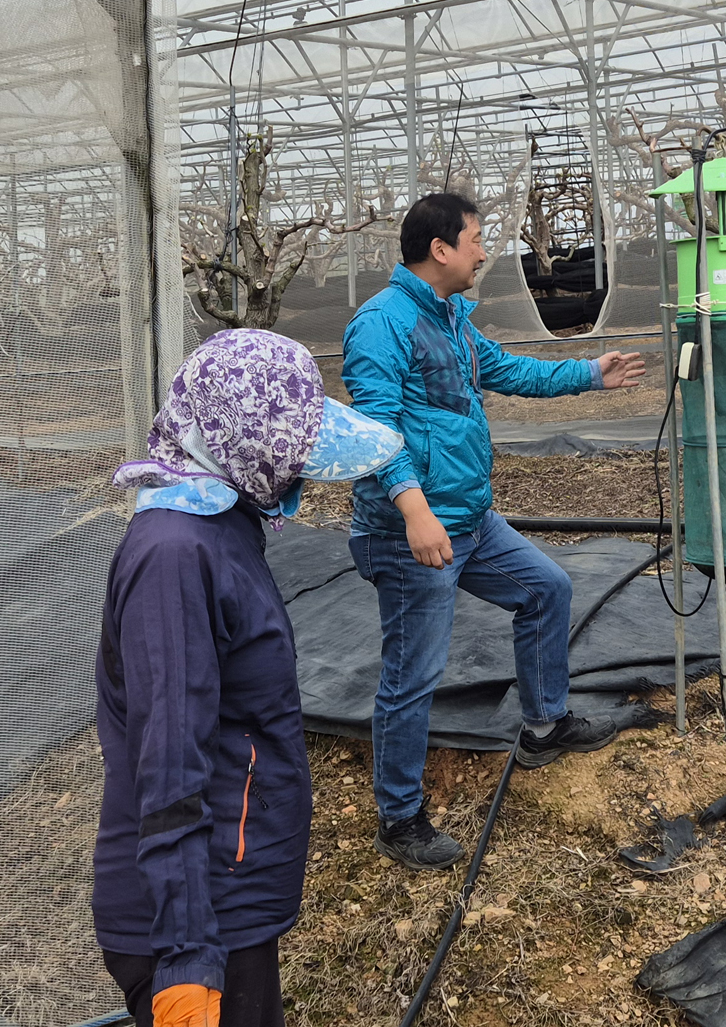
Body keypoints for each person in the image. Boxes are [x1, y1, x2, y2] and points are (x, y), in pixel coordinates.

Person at [94, 328, 405, 1027]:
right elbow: (169, 759)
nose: (299, 470)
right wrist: (185, 958)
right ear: (242, 438)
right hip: (197, 920)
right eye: (291, 450)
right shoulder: (175, 555)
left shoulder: (221, 523)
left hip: (228, 896)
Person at [343, 191, 649, 869]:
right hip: (410, 532)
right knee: (411, 674)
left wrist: (589, 374)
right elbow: (376, 426)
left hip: (469, 520)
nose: (486, 252)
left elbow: (506, 370)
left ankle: (544, 725)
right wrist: (413, 509)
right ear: (440, 248)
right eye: (477, 239)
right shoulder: (381, 323)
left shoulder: (450, 315)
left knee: (545, 589)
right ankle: (398, 818)